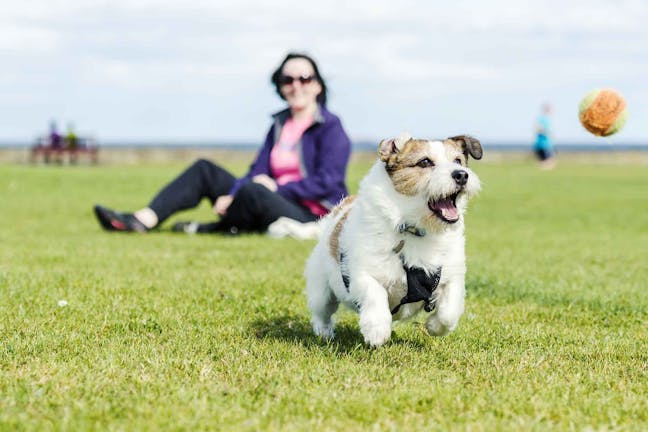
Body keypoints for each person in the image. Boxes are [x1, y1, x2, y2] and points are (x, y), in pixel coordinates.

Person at [93, 52, 352, 235]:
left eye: (304, 79)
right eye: (288, 80)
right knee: (206, 169)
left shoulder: (330, 127)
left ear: (317, 85)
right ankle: (143, 220)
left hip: (310, 214)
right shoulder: (279, 124)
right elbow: (256, 172)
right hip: (263, 197)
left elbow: (327, 182)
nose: (296, 86)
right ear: (280, 86)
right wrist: (232, 194)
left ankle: (211, 228)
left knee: (254, 191)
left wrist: (276, 187)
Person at [533, 103, 556, 169]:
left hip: (546, 144)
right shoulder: (542, 119)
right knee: (546, 163)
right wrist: (547, 133)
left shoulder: (547, 119)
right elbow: (538, 129)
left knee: (549, 163)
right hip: (543, 144)